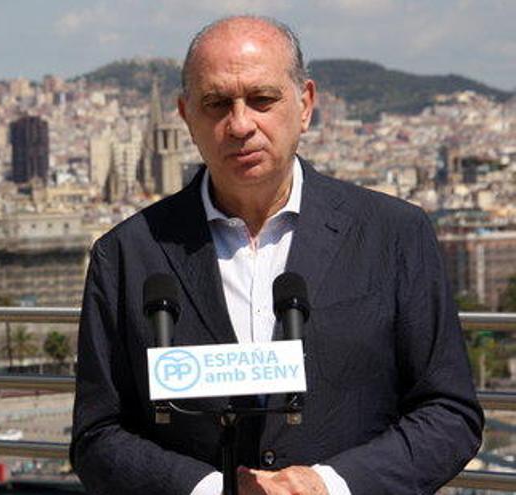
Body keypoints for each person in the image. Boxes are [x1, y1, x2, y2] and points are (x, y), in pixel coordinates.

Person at [71, 15, 483, 495]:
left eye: (262, 100)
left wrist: (328, 485)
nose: (241, 124)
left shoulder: (393, 235)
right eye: (217, 103)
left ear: (305, 104)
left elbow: (449, 413)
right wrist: (210, 491)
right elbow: (97, 436)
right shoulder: (125, 254)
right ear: (186, 116)